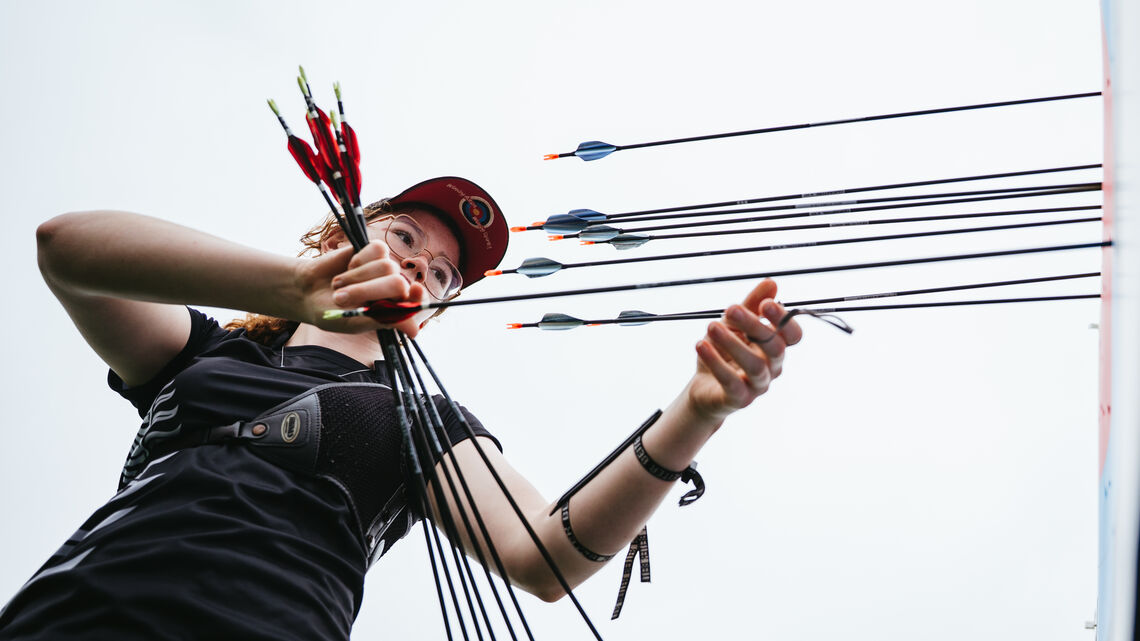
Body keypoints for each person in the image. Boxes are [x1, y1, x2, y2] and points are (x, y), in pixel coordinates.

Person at [0, 176, 802, 640]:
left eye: (444, 274)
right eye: (406, 236)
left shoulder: (426, 421)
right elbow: (66, 247)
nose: (422, 265)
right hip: (69, 616)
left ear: (432, 312)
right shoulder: (208, 353)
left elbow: (546, 554)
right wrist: (294, 288)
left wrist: (697, 410)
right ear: (336, 240)